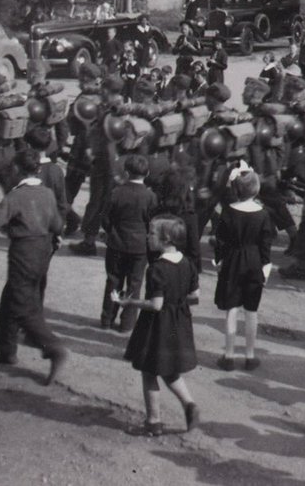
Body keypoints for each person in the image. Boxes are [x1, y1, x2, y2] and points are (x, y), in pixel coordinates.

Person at [0, 149, 69, 381]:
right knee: (12, 296)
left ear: (17, 169)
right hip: (43, 250)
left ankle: (53, 347)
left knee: (20, 304)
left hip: (23, 252)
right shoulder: (47, 193)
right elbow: (58, 225)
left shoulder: (15, 196)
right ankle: (6, 349)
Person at [118, 216, 200, 437]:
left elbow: (155, 304)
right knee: (169, 368)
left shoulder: (156, 268)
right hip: (179, 323)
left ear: (165, 239)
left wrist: (129, 302)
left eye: (152, 233)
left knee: (149, 371)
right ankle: (189, 404)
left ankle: (153, 421)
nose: (148, 237)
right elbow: (195, 295)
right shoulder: (188, 263)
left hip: (158, 326)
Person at [212, 166, 275, 371]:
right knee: (251, 311)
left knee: (231, 309)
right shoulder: (263, 214)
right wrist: (265, 269)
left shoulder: (228, 211)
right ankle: (249, 355)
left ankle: (229, 355)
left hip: (232, 261)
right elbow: (266, 245)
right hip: (255, 263)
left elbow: (220, 240)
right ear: (256, 190)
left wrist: (219, 260)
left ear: (236, 190)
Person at [101, 155, 158, 332]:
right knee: (135, 284)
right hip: (140, 247)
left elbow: (105, 217)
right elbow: (152, 221)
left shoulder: (116, 192)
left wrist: (112, 231)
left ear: (126, 173)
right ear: (147, 173)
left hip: (117, 242)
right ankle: (127, 323)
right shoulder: (150, 196)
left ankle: (107, 319)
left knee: (113, 280)